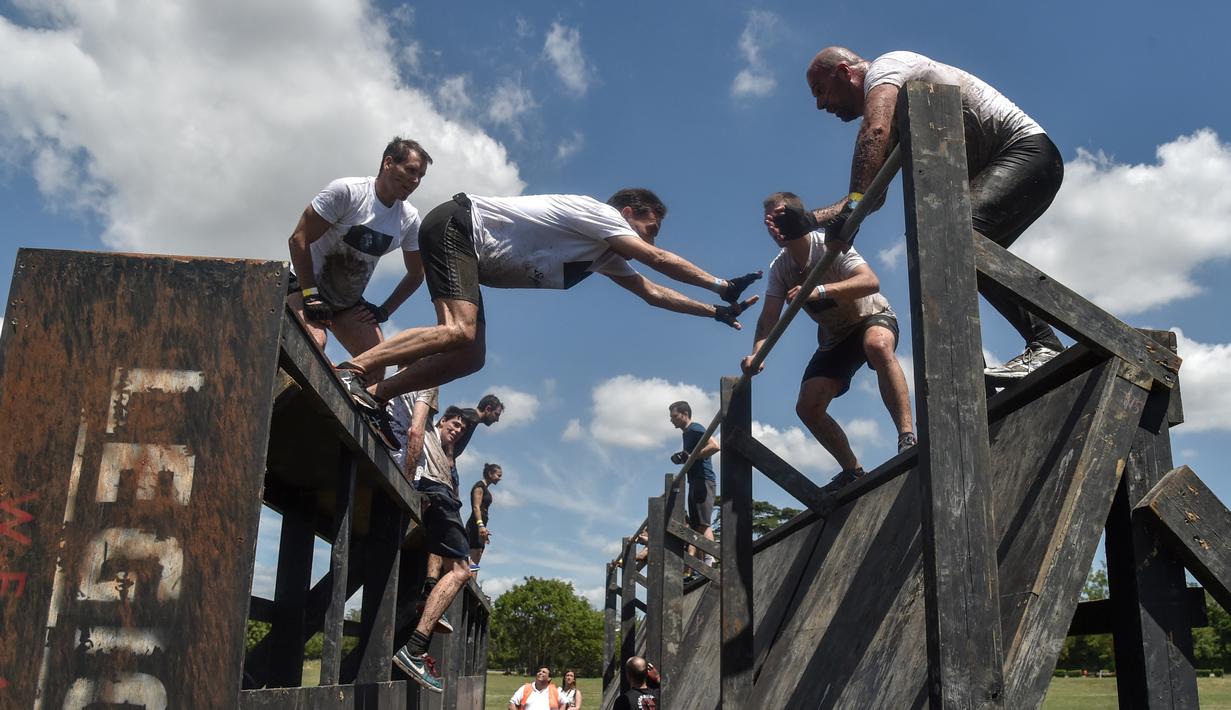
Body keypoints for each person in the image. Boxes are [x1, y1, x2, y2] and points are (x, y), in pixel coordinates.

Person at [772, 48, 1065, 380]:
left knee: (949, 237)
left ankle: (1045, 344)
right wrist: (810, 220)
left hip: (1027, 153)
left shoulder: (887, 68)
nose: (820, 105)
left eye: (820, 91)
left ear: (844, 72)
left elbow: (874, 132)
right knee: (944, 252)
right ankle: (977, 378)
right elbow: (873, 196)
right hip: (1010, 167)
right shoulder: (897, 111)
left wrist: (852, 207)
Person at [333, 188, 761, 409]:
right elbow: (658, 260)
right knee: (459, 330)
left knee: (469, 356)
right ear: (628, 213)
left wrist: (714, 311)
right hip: (458, 226)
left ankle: (376, 394)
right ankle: (353, 370)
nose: (649, 239)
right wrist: (720, 284)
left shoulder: (603, 253)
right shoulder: (602, 216)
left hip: (467, 249)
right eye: (650, 228)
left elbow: (652, 292)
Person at [747, 192, 916, 487]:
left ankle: (907, 436)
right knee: (807, 407)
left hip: (870, 316)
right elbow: (769, 318)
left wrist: (818, 291)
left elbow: (870, 282)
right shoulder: (780, 268)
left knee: (877, 345)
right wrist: (757, 353)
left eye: (779, 219)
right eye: (768, 223)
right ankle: (852, 470)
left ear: (798, 217)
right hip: (835, 336)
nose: (774, 228)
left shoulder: (829, 244)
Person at [287, 137, 430, 374]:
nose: (415, 181)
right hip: (305, 286)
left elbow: (417, 274)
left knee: (376, 363)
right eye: (411, 170)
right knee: (314, 344)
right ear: (388, 163)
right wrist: (310, 295)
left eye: (421, 176)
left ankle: (351, 393)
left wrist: (384, 311)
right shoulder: (347, 192)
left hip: (346, 302)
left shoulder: (409, 219)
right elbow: (298, 239)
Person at [392, 406, 472, 693]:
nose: (458, 430)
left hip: (442, 496)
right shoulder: (428, 429)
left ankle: (431, 598)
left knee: (457, 569)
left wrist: (450, 454)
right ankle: (415, 649)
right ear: (441, 421)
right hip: (434, 492)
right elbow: (417, 426)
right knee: (461, 571)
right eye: (455, 424)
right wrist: (407, 483)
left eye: (462, 428)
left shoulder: (447, 455)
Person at [668, 401, 719, 568]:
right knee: (697, 525)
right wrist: (684, 457)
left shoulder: (695, 428)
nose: (671, 420)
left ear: (684, 414)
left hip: (703, 479)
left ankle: (710, 560)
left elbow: (715, 446)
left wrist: (691, 457)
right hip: (694, 480)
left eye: (674, 416)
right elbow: (693, 455)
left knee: (703, 523)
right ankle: (705, 563)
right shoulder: (686, 434)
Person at [467, 463, 502, 566]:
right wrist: (480, 525)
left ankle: (472, 575)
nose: (500, 478)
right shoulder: (479, 487)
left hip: (481, 525)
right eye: (498, 475)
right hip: (475, 525)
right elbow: (476, 507)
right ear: (490, 473)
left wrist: (484, 530)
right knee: (475, 555)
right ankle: (470, 576)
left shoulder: (486, 489)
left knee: (477, 555)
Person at [454, 393, 504, 458]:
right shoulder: (468, 417)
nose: (497, 420)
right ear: (488, 409)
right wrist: (449, 456)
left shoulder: (472, 419)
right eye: (496, 414)